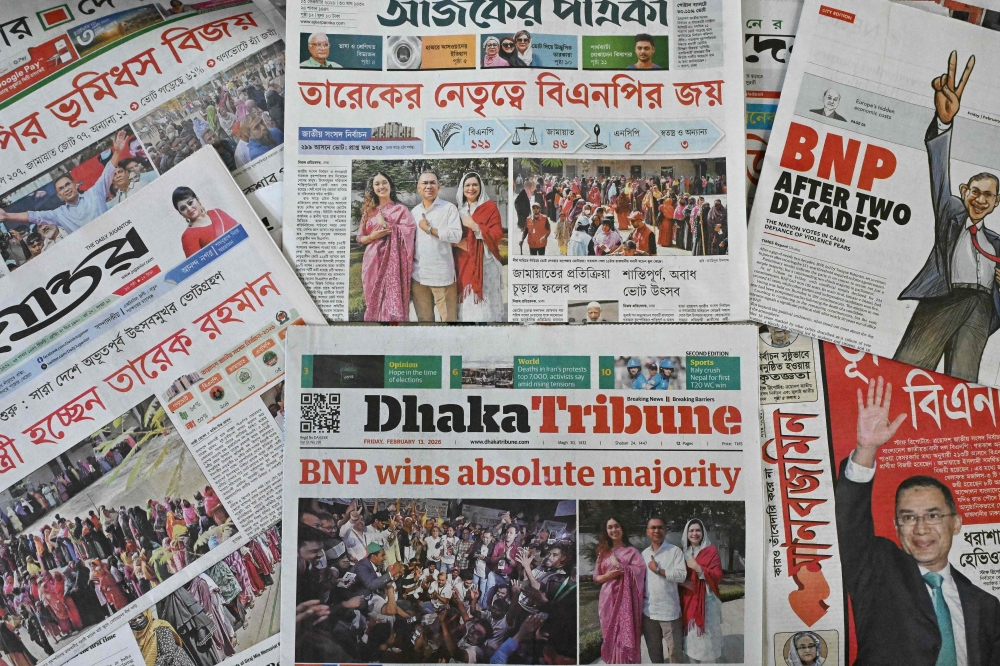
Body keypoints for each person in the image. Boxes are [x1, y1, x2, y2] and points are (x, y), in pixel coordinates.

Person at [838, 375, 1000, 665]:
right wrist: (866, 449)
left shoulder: (986, 605)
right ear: (897, 526)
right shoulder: (877, 569)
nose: (921, 528)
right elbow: (850, 523)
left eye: (933, 515)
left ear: (956, 523)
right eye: (908, 517)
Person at [895, 52, 1000, 382]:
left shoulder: (996, 244)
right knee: (905, 370)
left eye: (988, 195)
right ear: (964, 191)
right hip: (945, 298)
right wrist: (944, 123)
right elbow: (939, 173)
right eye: (975, 191)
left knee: (962, 386)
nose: (979, 200)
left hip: (982, 308)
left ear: (996, 202)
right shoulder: (951, 213)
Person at [0, 130, 128, 234]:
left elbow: (108, 171)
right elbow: (33, 216)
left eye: (67, 185)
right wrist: (6, 216)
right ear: (59, 195)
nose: (66, 189)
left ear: (75, 185)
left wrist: (117, 152)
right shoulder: (58, 214)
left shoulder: (95, 193)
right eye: (61, 189)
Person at [356, 171, 417, 322]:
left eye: (384, 182)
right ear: (372, 188)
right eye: (377, 184)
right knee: (373, 299)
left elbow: (409, 232)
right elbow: (360, 238)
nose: (381, 186)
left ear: (390, 185)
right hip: (372, 261)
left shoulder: (401, 210)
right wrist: (372, 236)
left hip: (393, 264)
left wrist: (384, 224)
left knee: (390, 302)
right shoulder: (368, 211)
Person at [410, 170, 462, 322]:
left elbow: (456, 236)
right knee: (424, 321)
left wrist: (430, 230)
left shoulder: (449, 208)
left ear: (439, 186)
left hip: (442, 275)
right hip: (419, 276)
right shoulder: (414, 212)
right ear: (418, 187)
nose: (429, 186)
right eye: (424, 183)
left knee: (449, 320)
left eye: (432, 183)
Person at [453, 171, 504, 322]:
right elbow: (451, 235)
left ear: (481, 187)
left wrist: (475, 227)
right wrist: (459, 243)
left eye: (475, 185)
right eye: (467, 185)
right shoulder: (458, 210)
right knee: (468, 306)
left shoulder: (490, 207)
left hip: (486, 264)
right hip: (464, 263)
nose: (471, 188)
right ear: (462, 188)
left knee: (486, 307)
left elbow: (497, 234)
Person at [594, 516, 645, 663]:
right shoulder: (603, 552)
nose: (613, 530)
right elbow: (596, 577)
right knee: (609, 636)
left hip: (626, 603)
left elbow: (640, 572)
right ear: (606, 531)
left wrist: (621, 566)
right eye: (610, 527)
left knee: (623, 638)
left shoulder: (632, 552)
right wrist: (607, 576)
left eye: (616, 526)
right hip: (607, 600)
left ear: (622, 529)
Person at [642, 517, 687, 664]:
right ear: (647, 531)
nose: (657, 530)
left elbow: (681, 576)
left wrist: (658, 570)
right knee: (654, 653)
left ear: (665, 530)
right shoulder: (643, 554)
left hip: (670, 612)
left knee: (675, 653)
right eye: (653, 528)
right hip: (649, 612)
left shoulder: (675, 551)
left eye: (660, 527)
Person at [679, 518, 723, 663]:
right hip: (689, 602)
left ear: (703, 532)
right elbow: (678, 576)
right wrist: (683, 582)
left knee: (708, 640)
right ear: (686, 534)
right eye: (691, 530)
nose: (694, 533)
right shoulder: (683, 553)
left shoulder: (711, 551)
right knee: (691, 640)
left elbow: (717, 575)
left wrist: (698, 568)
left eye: (698, 530)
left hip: (708, 603)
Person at [172, 187, 239, 257]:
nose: (189, 208)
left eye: (190, 203)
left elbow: (240, 233)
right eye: (183, 208)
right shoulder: (188, 236)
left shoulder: (217, 213)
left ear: (197, 200)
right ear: (181, 213)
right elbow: (199, 263)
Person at [130, 609, 198, 666]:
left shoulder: (160, 627)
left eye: (140, 617)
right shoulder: (136, 638)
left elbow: (169, 653)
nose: (137, 621)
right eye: (134, 620)